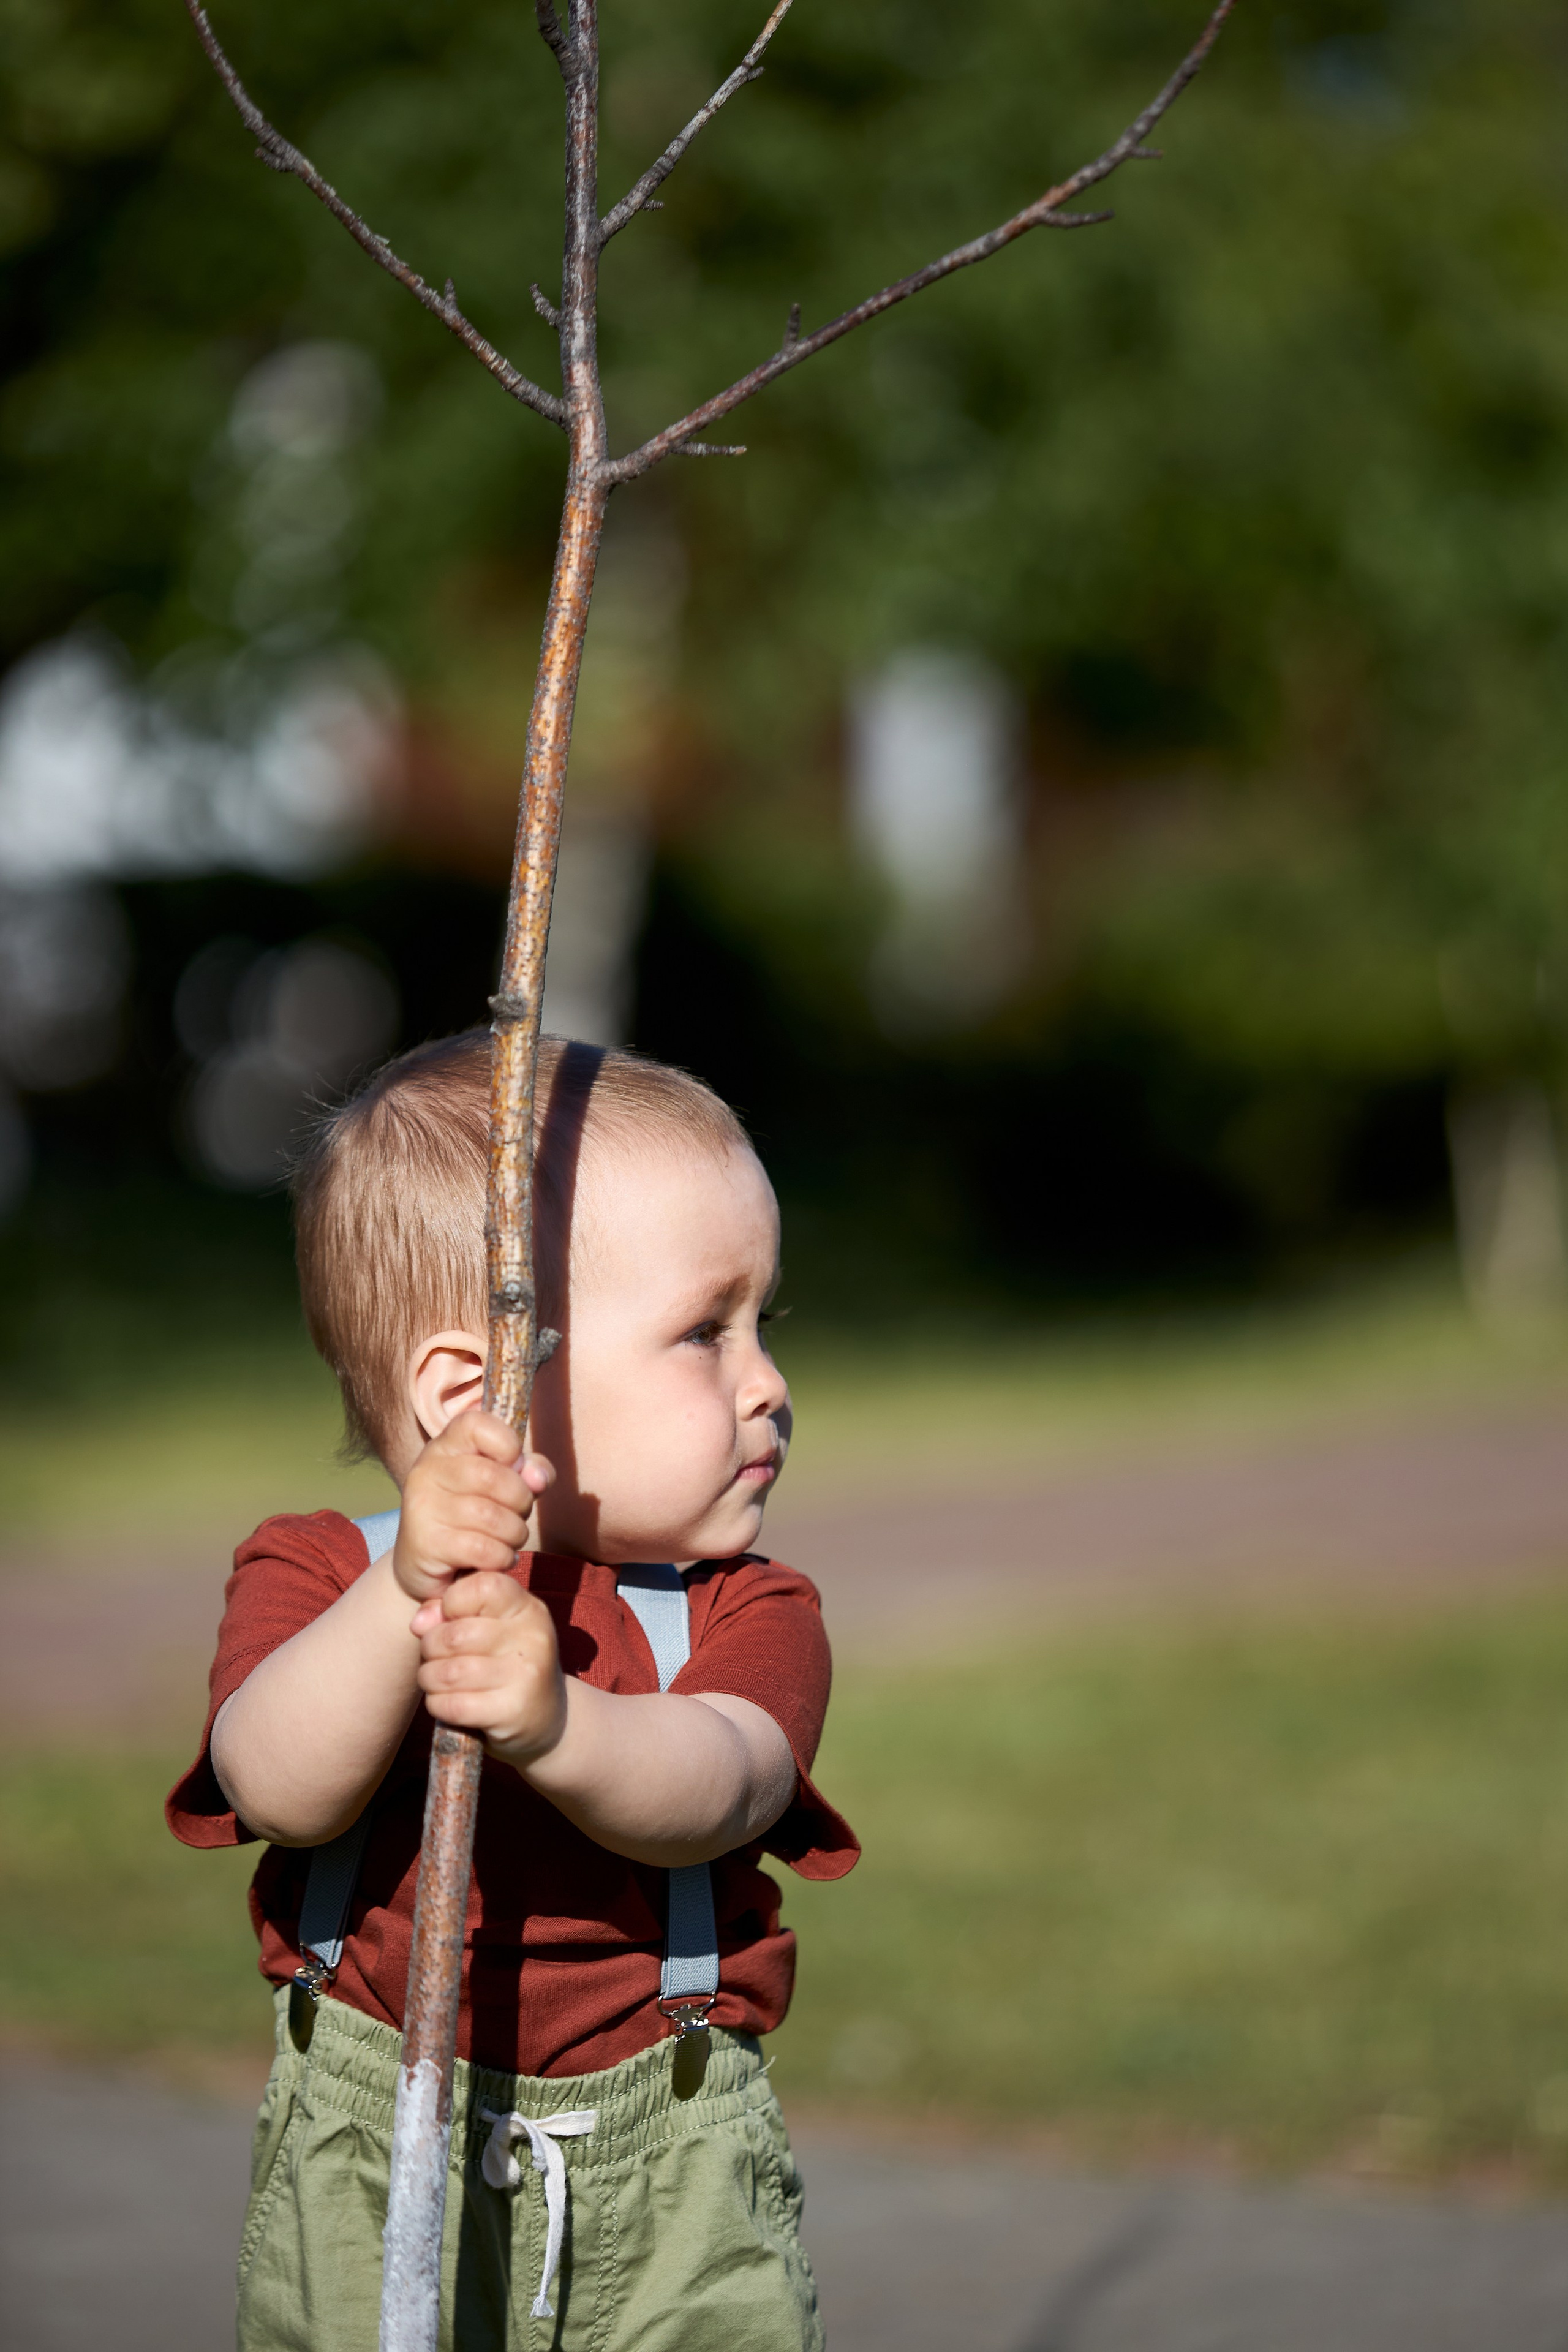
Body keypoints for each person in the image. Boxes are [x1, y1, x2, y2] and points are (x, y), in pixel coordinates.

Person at [166, 1030, 859, 2352]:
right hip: (374, 2155)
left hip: (668, 2186)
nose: (769, 1385)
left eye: (761, 1326)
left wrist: (560, 1726)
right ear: (475, 1390)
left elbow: (727, 1779)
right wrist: (405, 1596)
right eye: (704, 1333)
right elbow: (277, 1785)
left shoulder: (749, 1608)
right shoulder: (322, 1573)